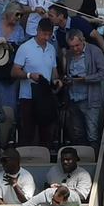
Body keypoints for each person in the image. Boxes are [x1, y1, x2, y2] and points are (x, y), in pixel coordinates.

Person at [12, 18, 61, 147]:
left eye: (49, 35)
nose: (46, 37)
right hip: (28, 96)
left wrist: (56, 81)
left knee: (46, 132)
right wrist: (29, 75)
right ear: (37, 31)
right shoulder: (25, 48)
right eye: (44, 34)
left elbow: (53, 71)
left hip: (45, 96)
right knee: (28, 132)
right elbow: (14, 71)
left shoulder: (51, 48)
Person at [63, 28, 104, 149]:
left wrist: (85, 79)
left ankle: (94, 161)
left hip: (90, 100)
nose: (74, 49)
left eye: (77, 45)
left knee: (92, 134)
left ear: (83, 40)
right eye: (71, 46)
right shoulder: (69, 54)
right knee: (77, 134)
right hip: (73, 98)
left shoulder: (94, 51)